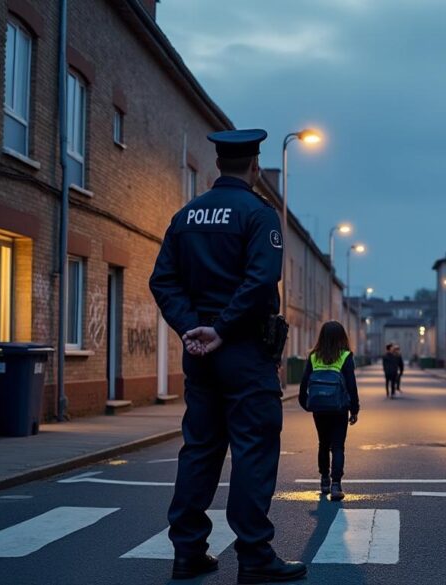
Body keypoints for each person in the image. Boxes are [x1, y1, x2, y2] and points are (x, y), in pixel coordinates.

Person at [149, 129, 306, 584]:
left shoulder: (186, 216)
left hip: (200, 351)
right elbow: (260, 282)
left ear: (218, 165)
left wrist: (191, 328)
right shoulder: (259, 215)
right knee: (253, 450)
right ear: (255, 168)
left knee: (199, 449)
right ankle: (255, 556)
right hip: (243, 350)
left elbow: (163, 281)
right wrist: (222, 329)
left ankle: (188, 553)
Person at [298, 321, 360, 501]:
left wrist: (305, 403)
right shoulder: (345, 356)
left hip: (319, 408)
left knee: (323, 444)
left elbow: (304, 382)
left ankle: (324, 480)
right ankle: (336, 485)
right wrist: (354, 409)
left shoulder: (314, 356)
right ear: (342, 337)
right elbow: (351, 385)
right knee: (338, 446)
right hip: (339, 408)